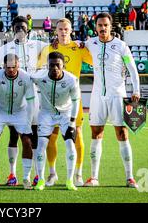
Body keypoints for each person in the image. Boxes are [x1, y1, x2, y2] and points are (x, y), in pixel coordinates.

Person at [83, 12, 140, 188]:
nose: (102, 28)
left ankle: (130, 177)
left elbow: (132, 68)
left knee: (122, 134)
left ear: (111, 26)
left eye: (105, 25)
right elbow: (74, 45)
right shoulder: (90, 43)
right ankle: (94, 177)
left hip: (118, 95)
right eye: (99, 25)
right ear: (96, 26)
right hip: (97, 95)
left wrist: (136, 90)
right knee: (95, 134)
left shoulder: (121, 46)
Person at [36, 18, 93, 187]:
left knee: (77, 136)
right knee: (51, 138)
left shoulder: (78, 47)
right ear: (56, 31)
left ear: (71, 30)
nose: (63, 32)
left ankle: (78, 174)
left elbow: (96, 59)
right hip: (51, 102)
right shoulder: (49, 49)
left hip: (72, 101)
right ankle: (52, 173)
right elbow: (38, 69)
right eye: (60, 29)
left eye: (66, 29)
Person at [0, 16, 48, 186]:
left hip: (33, 97)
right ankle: (12, 174)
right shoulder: (5, 48)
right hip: (14, 98)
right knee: (13, 135)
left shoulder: (39, 45)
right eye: (17, 27)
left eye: (23, 27)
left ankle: (36, 174)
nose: (20, 30)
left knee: (33, 135)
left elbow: (52, 55)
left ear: (28, 29)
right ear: (12, 29)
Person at [31, 52, 81, 191]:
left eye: (57, 65)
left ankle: (69, 181)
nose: (54, 68)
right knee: (41, 145)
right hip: (46, 114)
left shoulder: (72, 79)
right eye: (51, 65)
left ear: (63, 66)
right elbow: (25, 76)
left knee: (70, 145)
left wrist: (72, 122)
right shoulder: (40, 76)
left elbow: (76, 101)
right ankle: (41, 180)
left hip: (66, 114)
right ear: (47, 65)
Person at [0, 54, 35, 190]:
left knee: (26, 141)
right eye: (8, 67)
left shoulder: (26, 78)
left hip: (20, 111)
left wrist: (28, 122)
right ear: (3, 66)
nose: (11, 70)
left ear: (18, 65)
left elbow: (31, 103)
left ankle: (26, 178)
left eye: (14, 67)